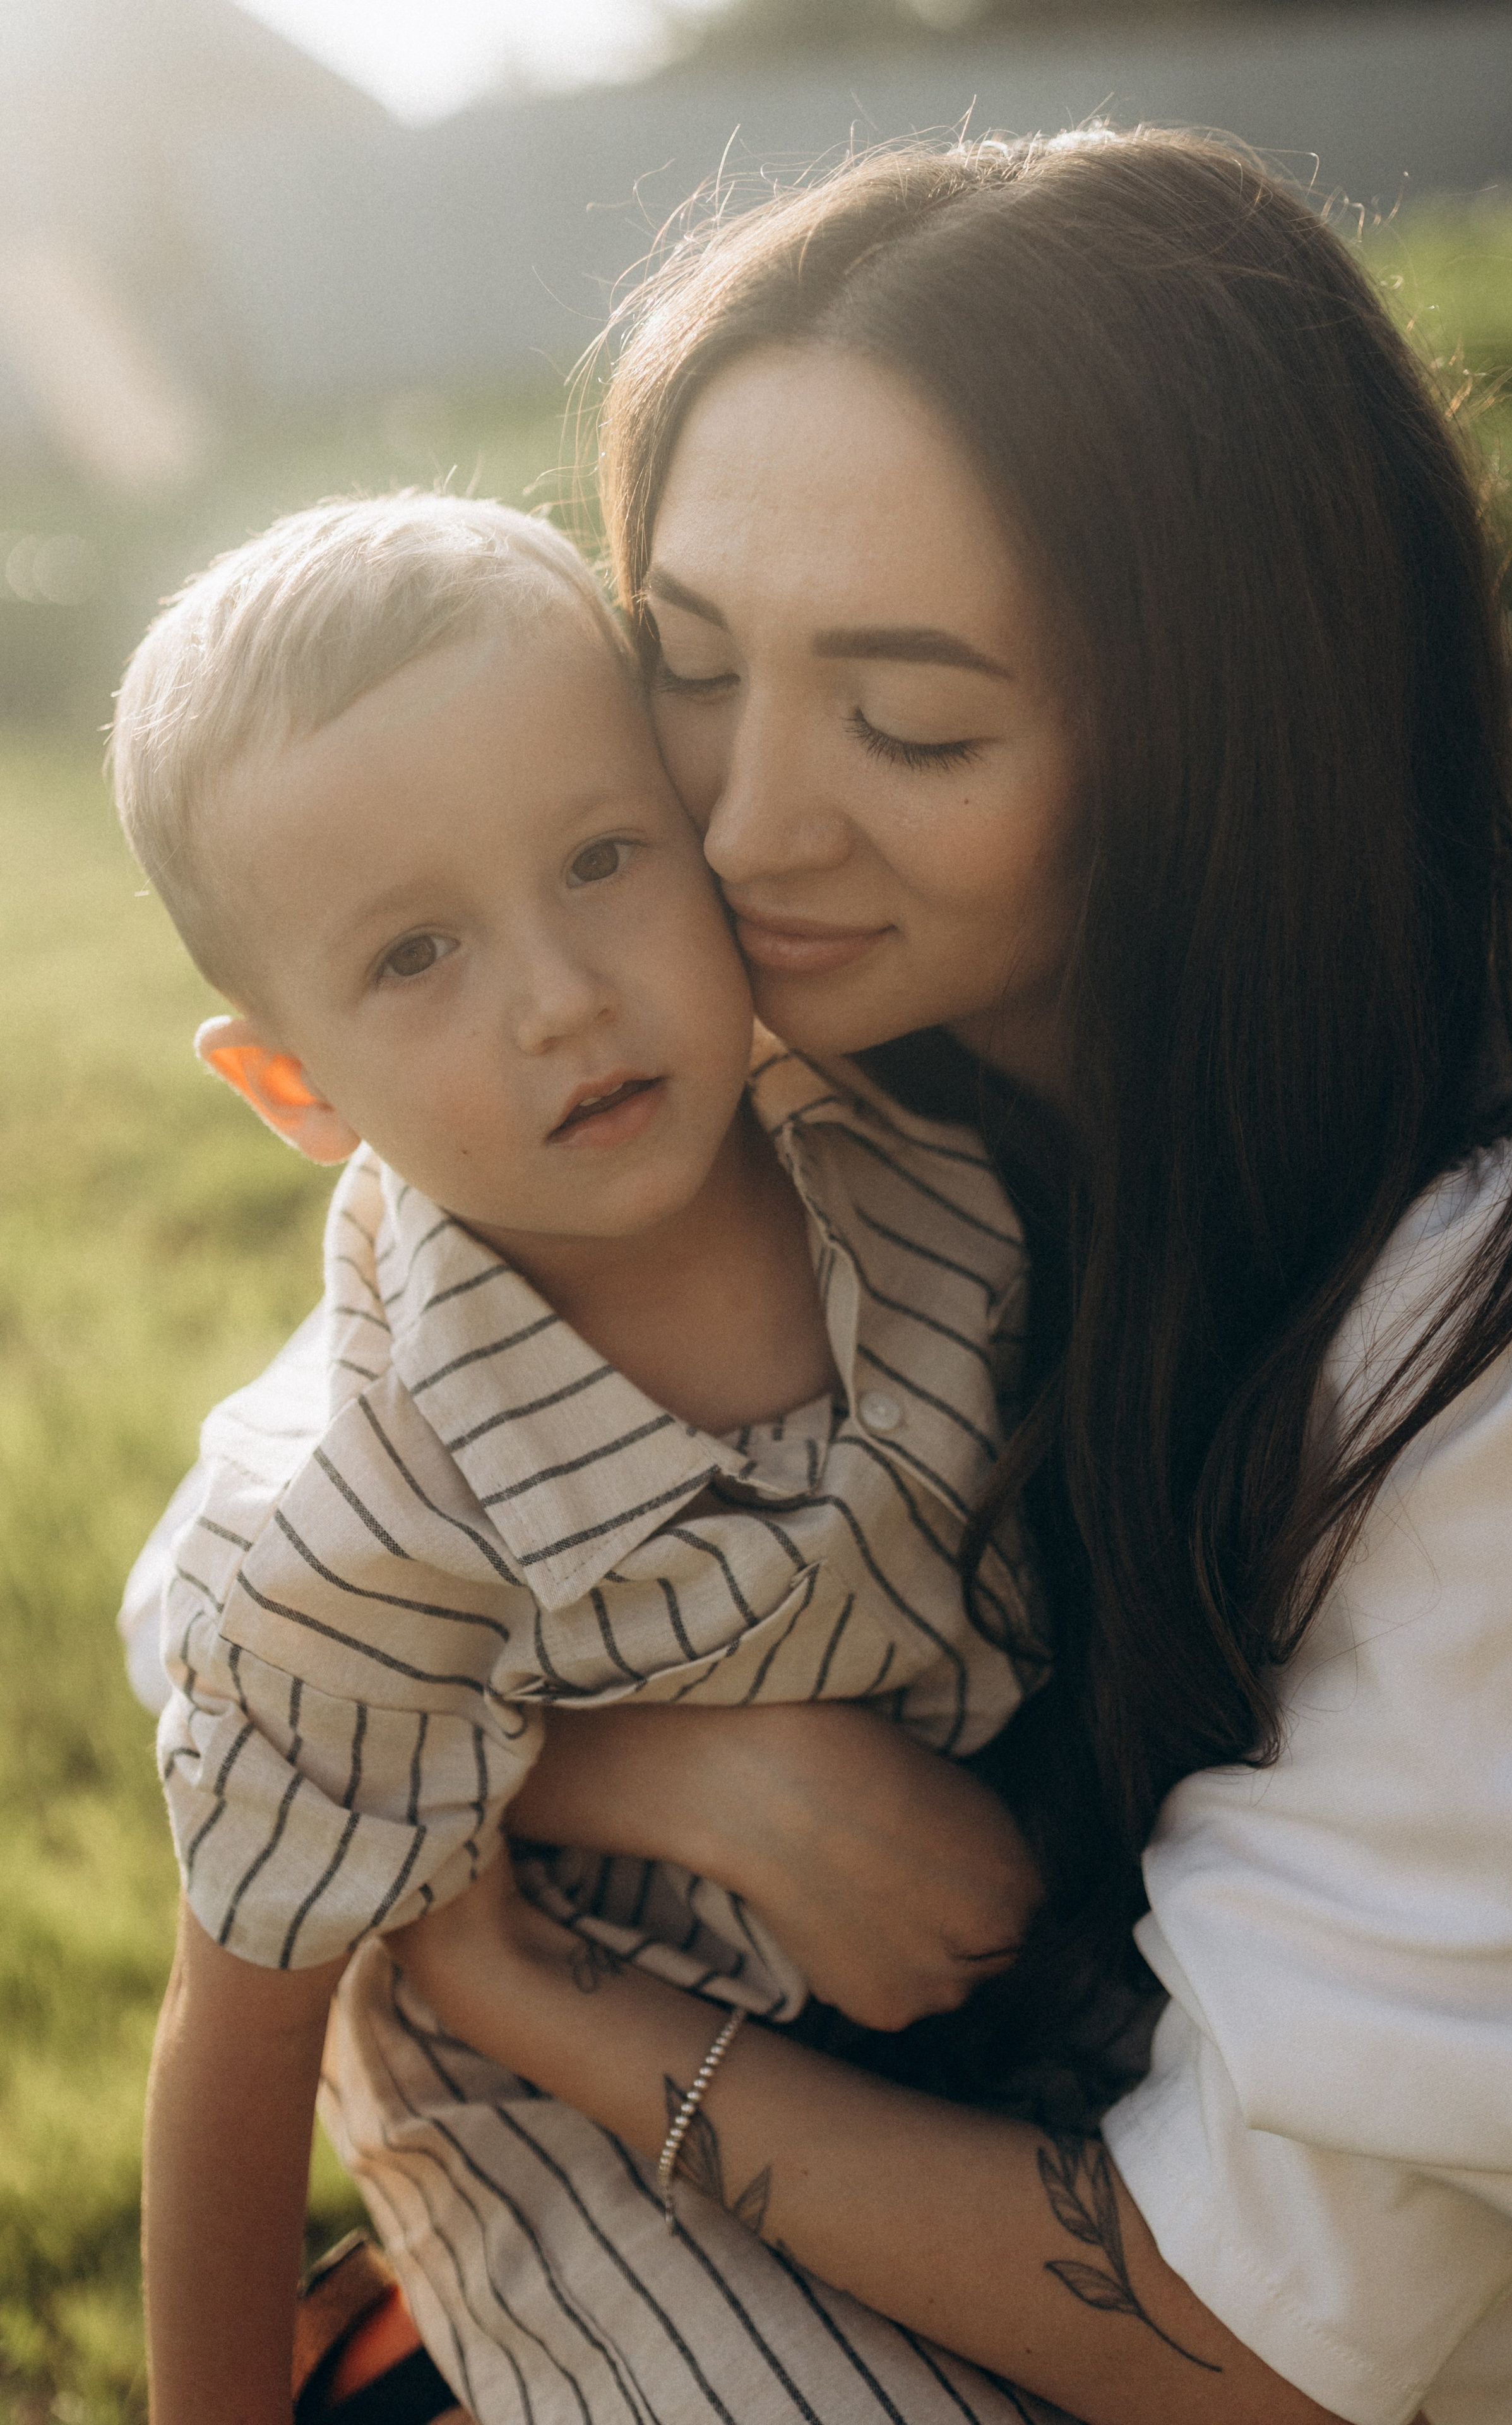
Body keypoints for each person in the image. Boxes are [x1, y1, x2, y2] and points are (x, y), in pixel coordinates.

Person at [123, 129, 1512, 2425]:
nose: (737, 833)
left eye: (911, 721)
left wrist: (539, 1992)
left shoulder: (1509, 1362)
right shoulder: (851, 1115)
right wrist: (638, 1774)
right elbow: (266, 1558)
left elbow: (1250, 2344)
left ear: (1223, 734)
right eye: (689, 675)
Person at [112, 492, 1044, 2424]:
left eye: (605, 856)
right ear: (294, 1090)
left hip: (1000, 1949)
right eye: (416, 956)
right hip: (573, 2116)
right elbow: (238, 2031)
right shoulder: (361, 1532)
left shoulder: (914, 1150)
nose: (560, 996)